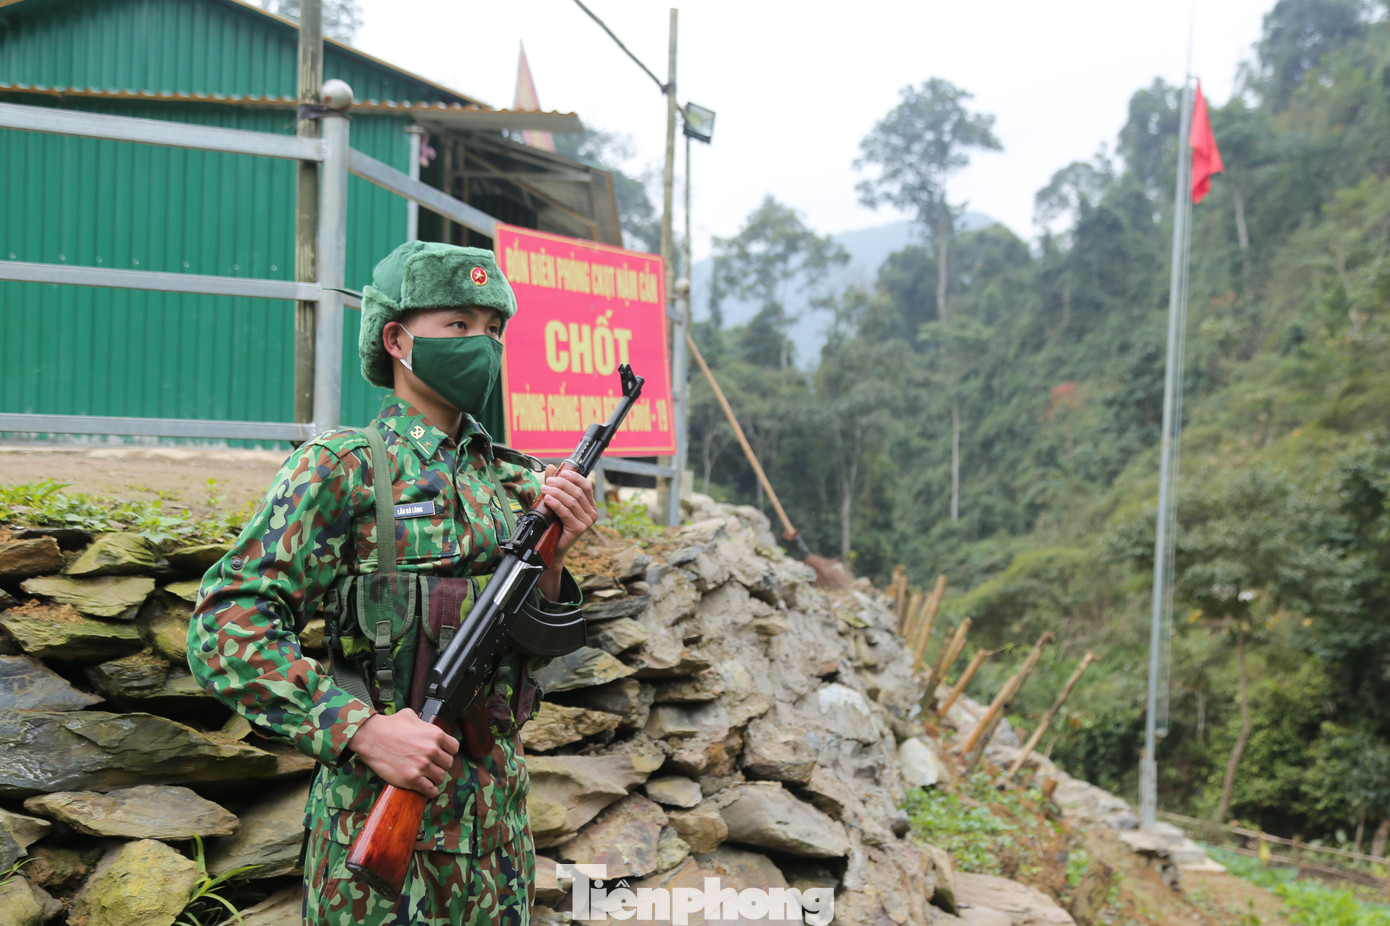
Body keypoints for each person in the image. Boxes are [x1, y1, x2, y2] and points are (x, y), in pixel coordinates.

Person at [188, 241, 597, 925]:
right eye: (458, 326)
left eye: (493, 329)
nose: (482, 345)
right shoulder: (343, 470)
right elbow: (226, 628)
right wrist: (359, 729)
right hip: (375, 851)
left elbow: (536, 649)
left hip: (497, 846)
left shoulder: (516, 482)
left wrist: (553, 558)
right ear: (398, 339)